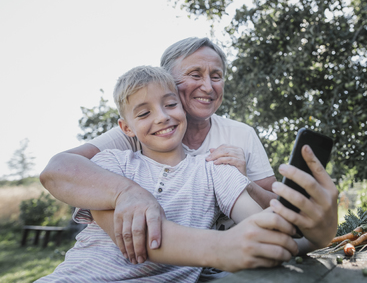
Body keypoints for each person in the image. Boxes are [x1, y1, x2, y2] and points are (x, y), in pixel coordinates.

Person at [39, 37, 338, 265]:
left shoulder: (240, 136)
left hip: (225, 260)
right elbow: (59, 170)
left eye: (216, 76)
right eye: (195, 74)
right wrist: (126, 192)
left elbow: (277, 217)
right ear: (168, 80)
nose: (208, 86)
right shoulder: (125, 145)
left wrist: (243, 181)